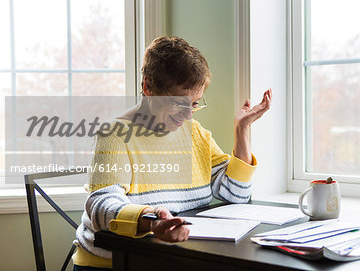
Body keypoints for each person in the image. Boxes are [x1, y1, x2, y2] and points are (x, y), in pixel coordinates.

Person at [72, 36, 272, 270]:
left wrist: (243, 129)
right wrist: (152, 221)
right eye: (178, 103)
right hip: (115, 263)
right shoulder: (115, 135)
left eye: (195, 104)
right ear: (147, 87)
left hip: (173, 258)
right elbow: (100, 206)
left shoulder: (195, 133)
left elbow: (236, 195)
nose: (188, 115)